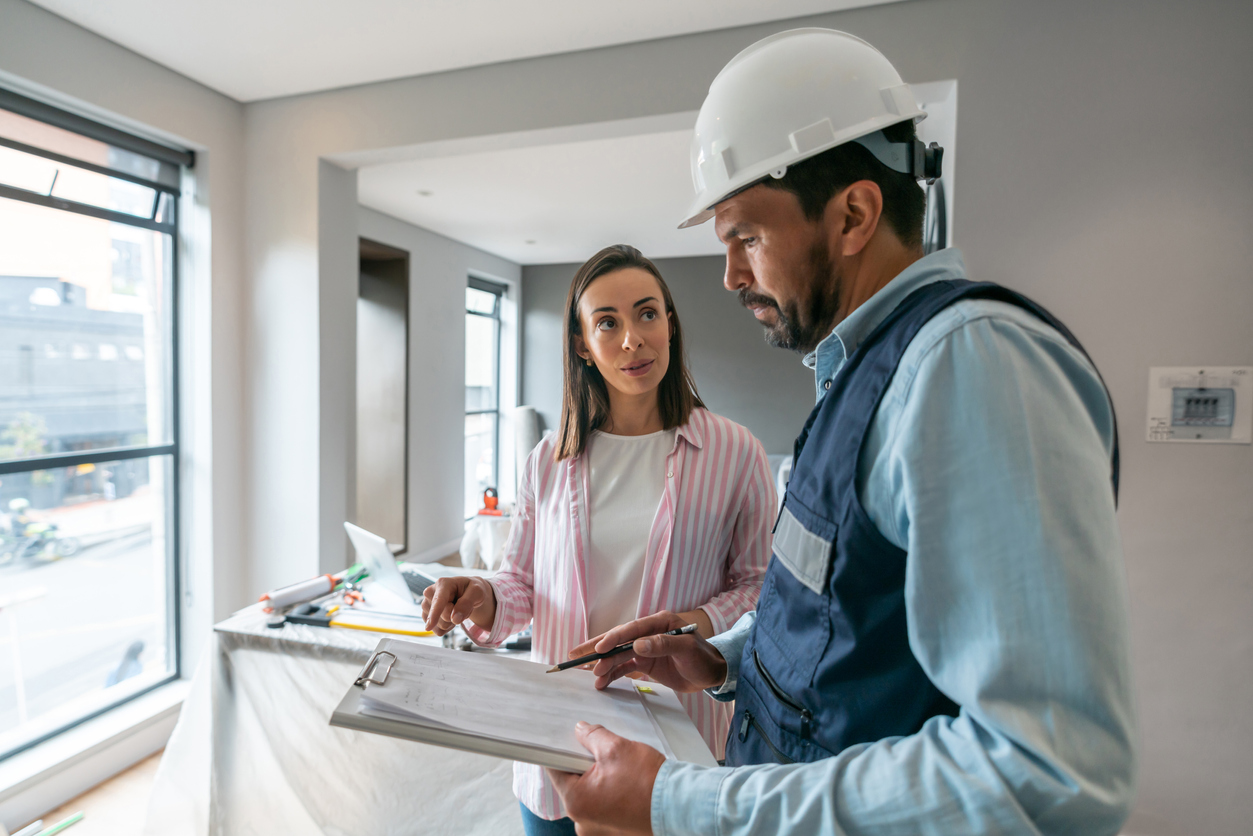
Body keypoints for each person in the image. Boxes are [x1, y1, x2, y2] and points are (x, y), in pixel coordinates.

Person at [549, 28, 1137, 836]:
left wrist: (674, 802)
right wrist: (721, 655)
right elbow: (845, 614)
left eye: (745, 238)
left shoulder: (971, 367)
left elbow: (1044, 771)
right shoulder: (866, 374)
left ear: (854, 213)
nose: (729, 277)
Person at [422, 245, 776, 835]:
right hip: (559, 754)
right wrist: (481, 594)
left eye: (647, 314)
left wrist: (689, 624)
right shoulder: (547, 461)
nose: (632, 338)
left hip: (679, 756)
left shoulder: (737, 452)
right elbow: (522, 584)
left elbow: (760, 589)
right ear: (583, 344)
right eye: (607, 323)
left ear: (670, 323)